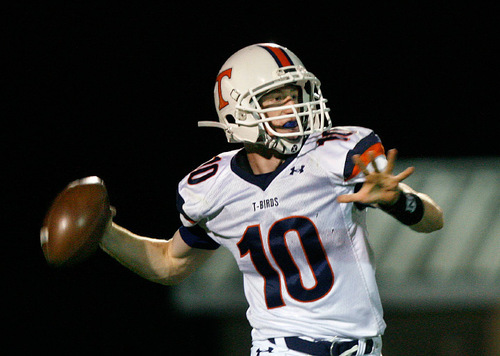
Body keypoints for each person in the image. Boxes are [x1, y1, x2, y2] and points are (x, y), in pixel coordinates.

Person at [101, 43, 444, 356]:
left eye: (294, 94)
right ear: (238, 112)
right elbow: (168, 263)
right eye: (276, 98)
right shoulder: (212, 188)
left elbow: (434, 220)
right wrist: (104, 233)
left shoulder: (336, 155)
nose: (292, 106)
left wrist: (398, 201)